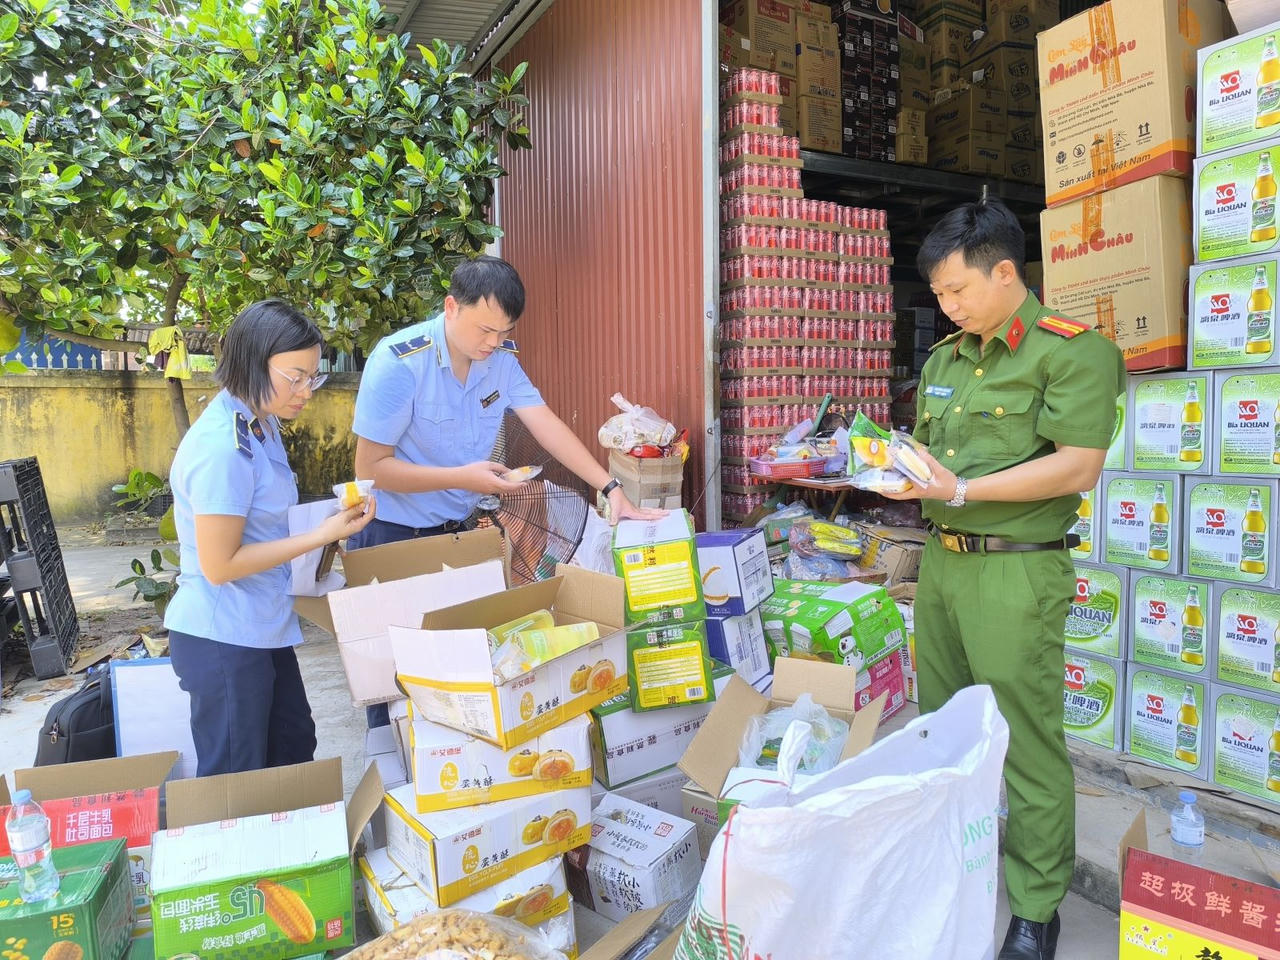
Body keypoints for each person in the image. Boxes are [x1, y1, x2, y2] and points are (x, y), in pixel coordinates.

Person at [882, 200, 1125, 960]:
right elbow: (929, 463)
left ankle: (1035, 908)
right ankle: (957, 872)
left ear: (1005, 272)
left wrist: (960, 490)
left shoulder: (1073, 351)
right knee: (947, 733)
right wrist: (894, 472)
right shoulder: (945, 360)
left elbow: (1077, 463)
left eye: (957, 291)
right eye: (941, 296)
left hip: (1018, 572)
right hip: (945, 569)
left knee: (1025, 745)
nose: (947, 307)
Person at [350, 256, 664, 725]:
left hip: (456, 536)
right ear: (451, 306)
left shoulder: (498, 361)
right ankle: (395, 788)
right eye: (484, 331)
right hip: (392, 539)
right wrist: (464, 477)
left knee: (463, 680)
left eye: (504, 332)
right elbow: (371, 469)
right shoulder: (399, 364)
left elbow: (546, 426)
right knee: (394, 689)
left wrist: (611, 487)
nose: (493, 344)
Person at [165, 300, 376, 776]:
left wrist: (326, 531)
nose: (306, 391)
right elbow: (220, 565)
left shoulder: (261, 424)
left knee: (293, 747)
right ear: (252, 364)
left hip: (260, 624)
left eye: (313, 377)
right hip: (223, 635)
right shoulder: (224, 448)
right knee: (239, 778)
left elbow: (267, 519)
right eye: (295, 376)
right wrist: (318, 535)